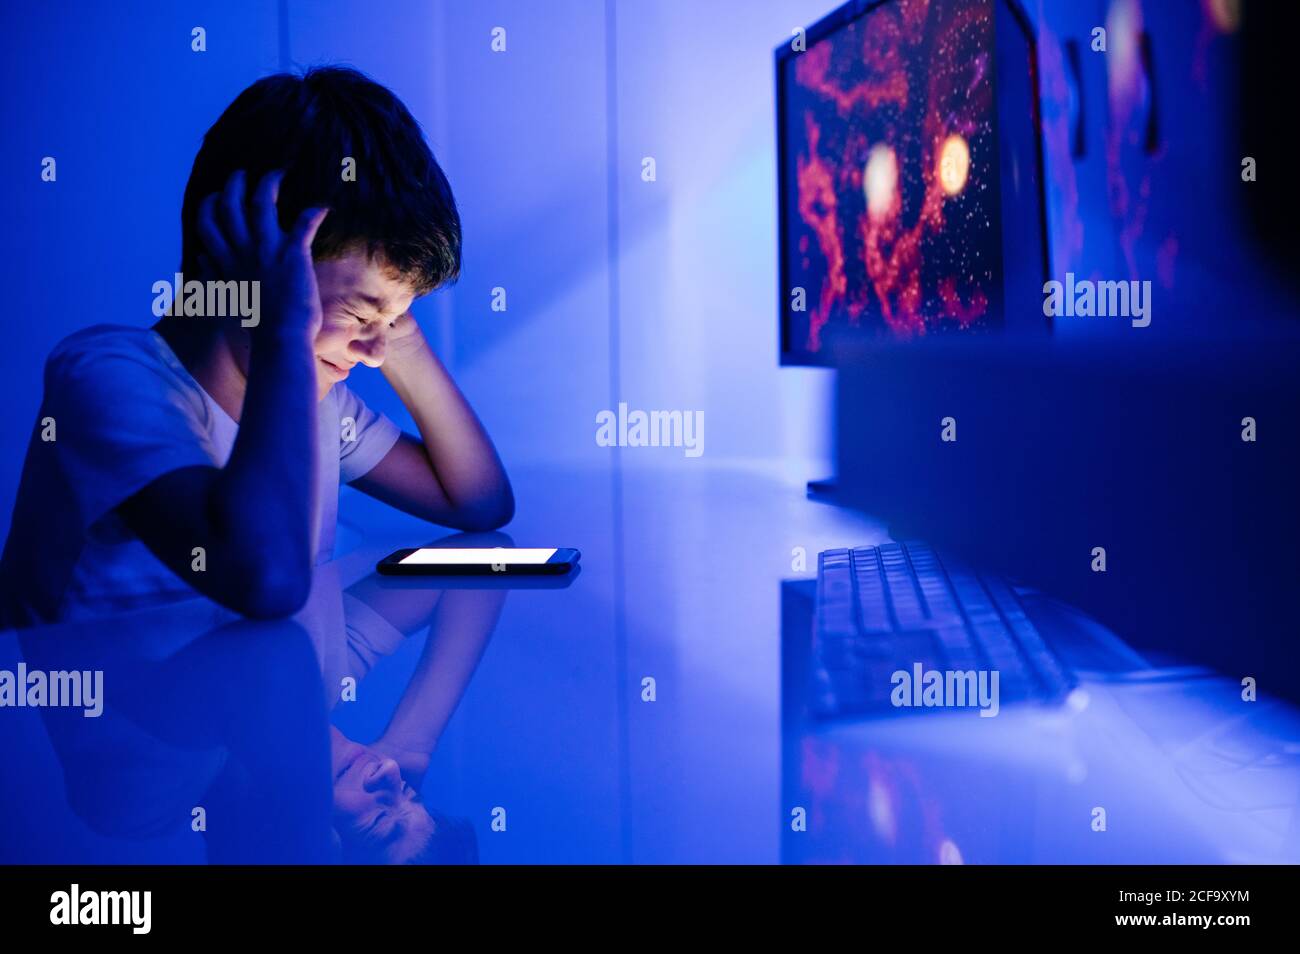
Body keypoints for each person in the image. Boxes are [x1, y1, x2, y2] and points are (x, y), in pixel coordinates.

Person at [0, 67, 512, 626]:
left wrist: (395, 323)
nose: (373, 352)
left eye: (391, 323)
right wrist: (284, 328)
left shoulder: (313, 404)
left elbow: (478, 501)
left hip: (248, 702)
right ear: (248, 259)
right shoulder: (109, 378)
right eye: (358, 314)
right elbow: (265, 577)